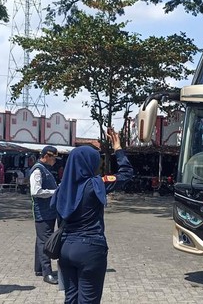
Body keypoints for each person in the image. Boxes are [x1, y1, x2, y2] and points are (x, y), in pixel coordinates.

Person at [51, 128, 136, 304]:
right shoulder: (95, 185)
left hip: (65, 249)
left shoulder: (60, 190)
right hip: (90, 249)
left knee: (71, 299)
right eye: (96, 163)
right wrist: (118, 148)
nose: (98, 166)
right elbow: (127, 173)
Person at [30, 145, 60, 285]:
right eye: (54, 158)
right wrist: (55, 192)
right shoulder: (38, 170)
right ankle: (47, 273)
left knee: (41, 239)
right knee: (45, 241)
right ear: (46, 156)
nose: (55, 161)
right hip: (42, 211)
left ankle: (39, 268)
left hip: (48, 211)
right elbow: (36, 191)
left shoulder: (46, 169)